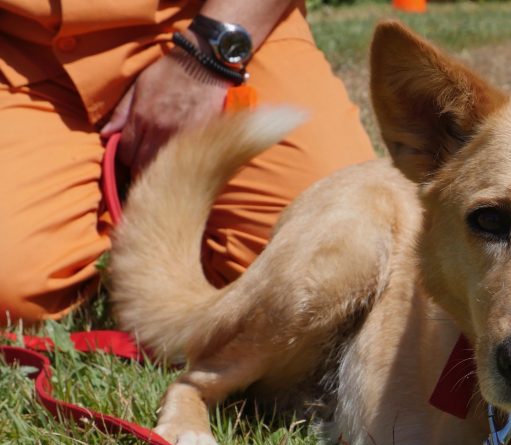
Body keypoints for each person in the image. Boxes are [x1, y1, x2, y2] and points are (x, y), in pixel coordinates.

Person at [0, 0, 375, 324]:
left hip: (224, 24)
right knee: (11, 289)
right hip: (26, 53)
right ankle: (112, 193)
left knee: (334, 254)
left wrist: (206, 58)